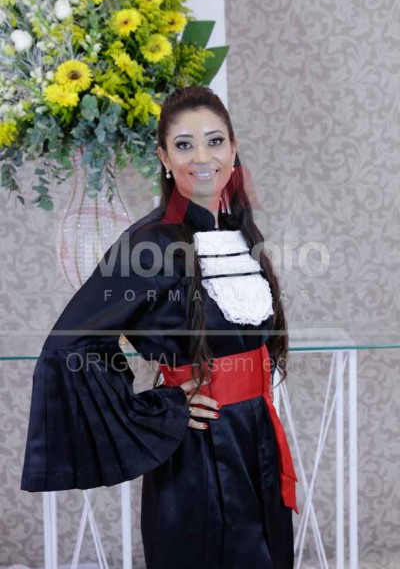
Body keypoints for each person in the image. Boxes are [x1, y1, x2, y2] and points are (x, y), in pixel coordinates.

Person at [21, 86, 299, 568]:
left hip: (259, 441)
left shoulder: (240, 233)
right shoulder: (149, 243)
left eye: (215, 141)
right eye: (184, 145)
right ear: (165, 158)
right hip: (201, 453)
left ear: (233, 149)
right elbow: (69, 346)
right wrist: (160, 408)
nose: (203, 157)